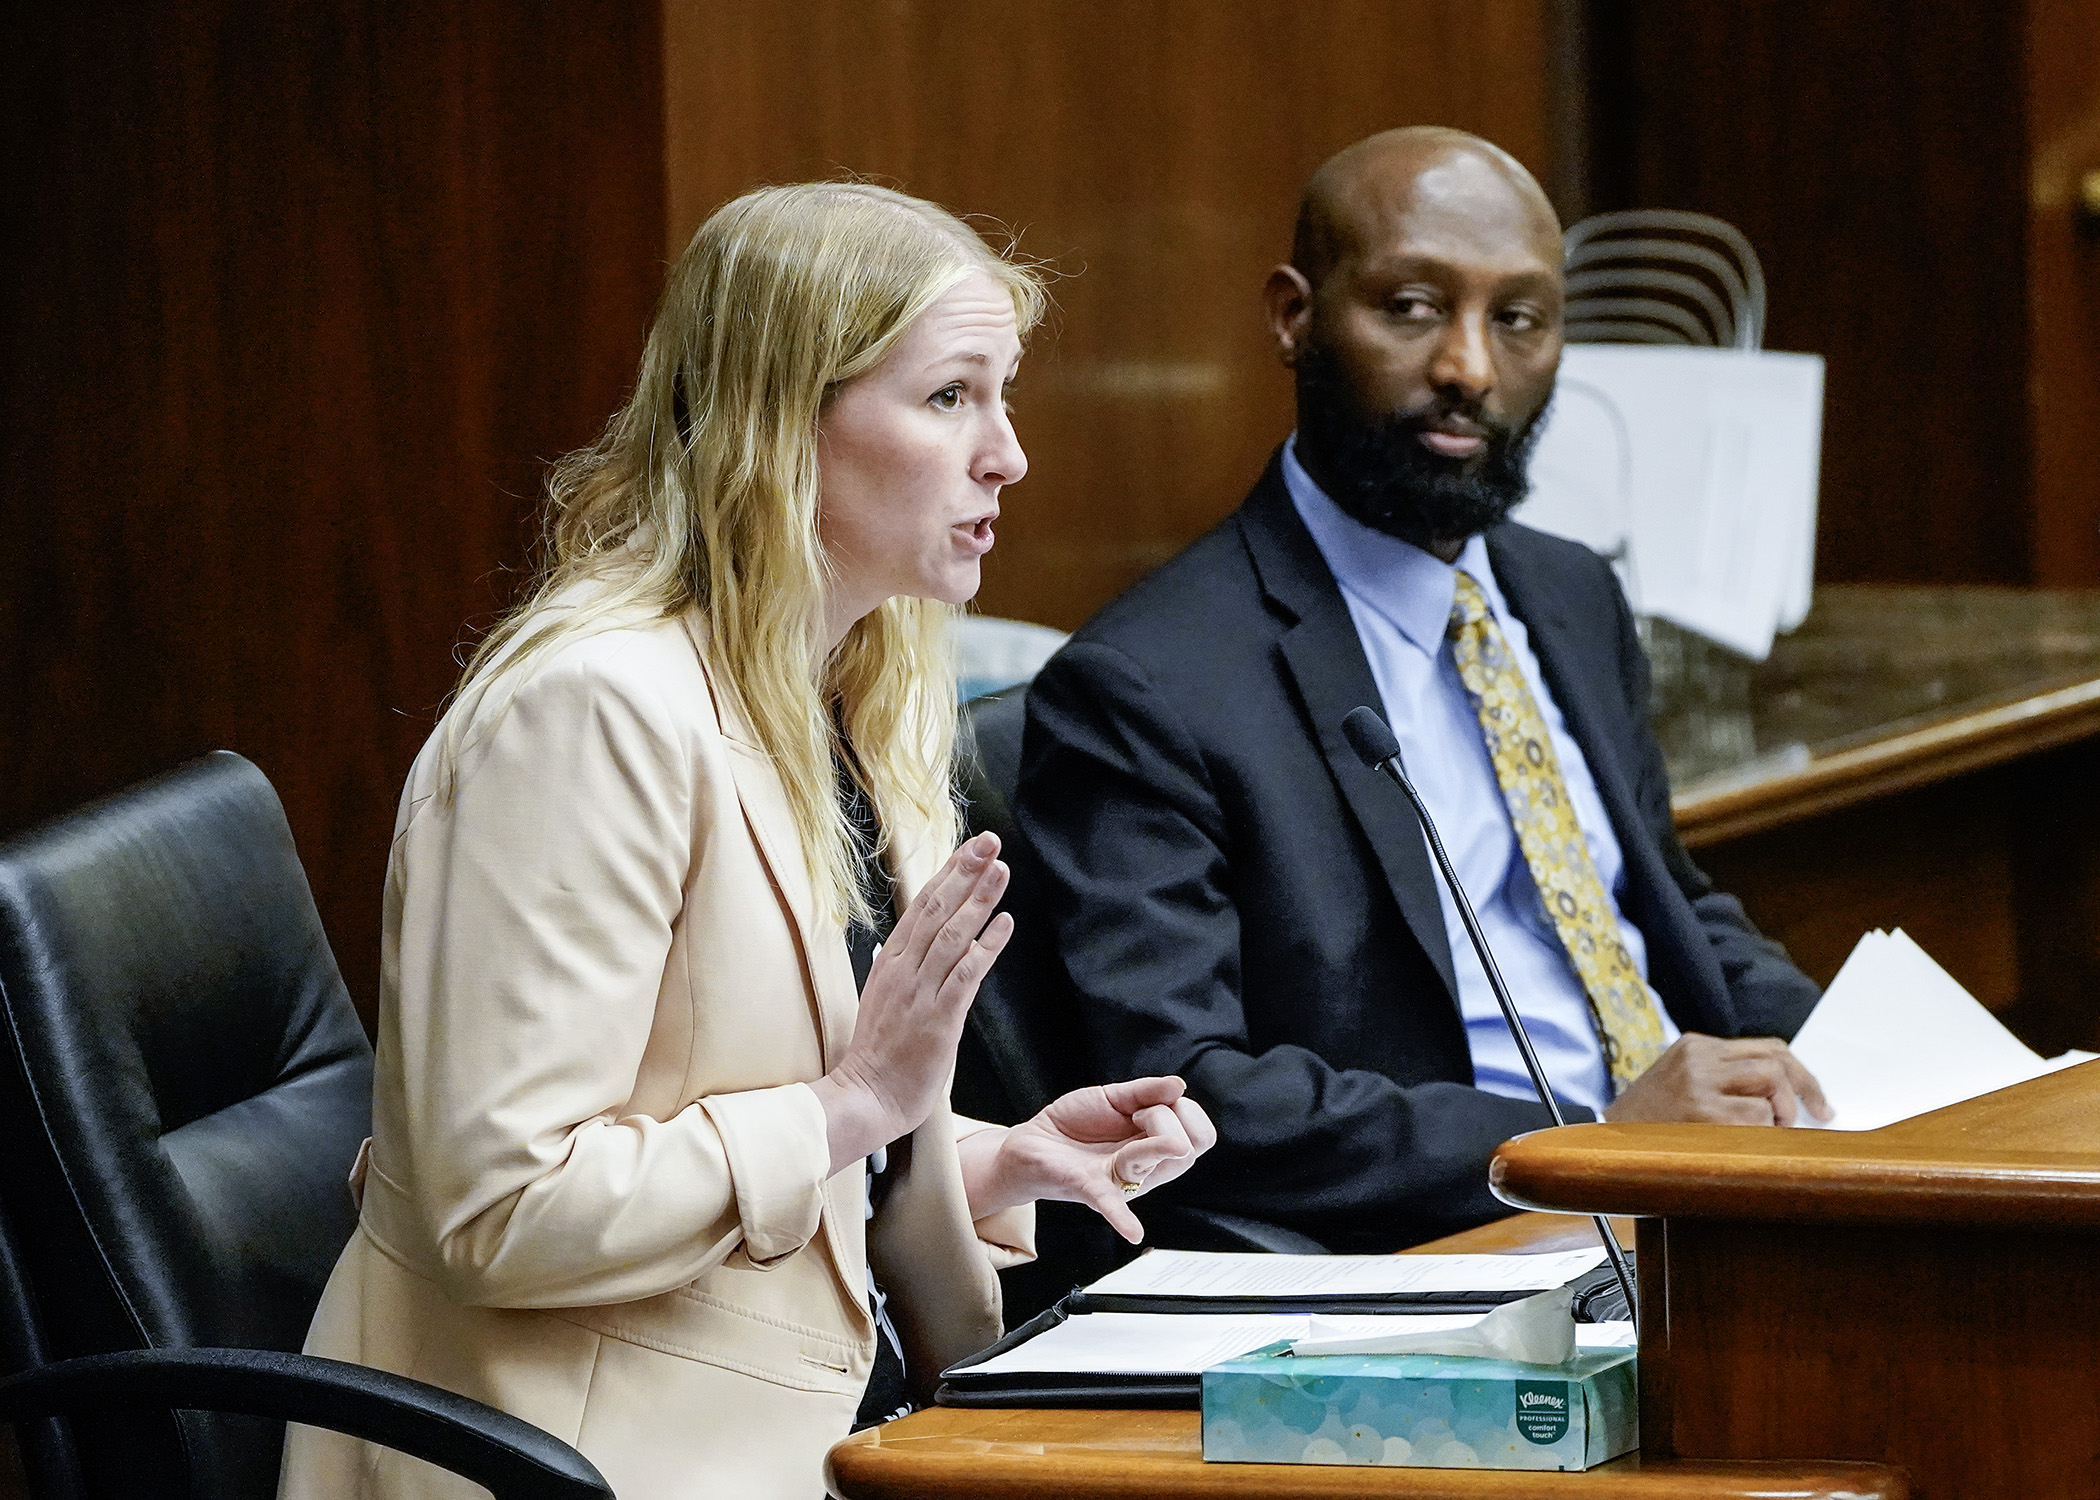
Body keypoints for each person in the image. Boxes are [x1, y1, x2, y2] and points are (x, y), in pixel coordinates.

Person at [279, 182, 1213, 1500]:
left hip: (825, 1423)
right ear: (783, 422)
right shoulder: (589, 715)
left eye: (1002, 397)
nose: (1007, 454)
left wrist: (995, 1156)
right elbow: (509, 1211)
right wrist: (856, 1107)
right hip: (589, 1454)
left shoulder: (854, 688)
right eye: (951, 397)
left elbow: (741, 1113)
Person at [1013, 127, 1826, 1257]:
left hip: (1693, 1196)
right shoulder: (1144, 687)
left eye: (1519, 319)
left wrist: (1893, 1062)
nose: (1470, 368)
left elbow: (1660, 910)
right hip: (1464, 1244)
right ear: (1294, 316)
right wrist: (1583, 1141)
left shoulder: (1570, 591)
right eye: (1410, 308)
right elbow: (1188, 1091)